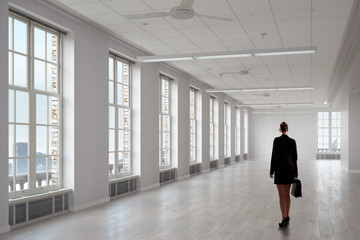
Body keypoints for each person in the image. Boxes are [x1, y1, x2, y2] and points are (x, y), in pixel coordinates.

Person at [269, 122, 298, 228]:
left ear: (279, 130)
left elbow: (274, 156)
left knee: (282, 195)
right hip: (290, 170)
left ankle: (283, 218)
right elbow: (295, 158)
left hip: (280, 170)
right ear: (287, 129)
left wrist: (271, 171)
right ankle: (287, 216)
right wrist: (295, 172)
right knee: (287, 194)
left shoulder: (276, 140)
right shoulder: (292, 141)